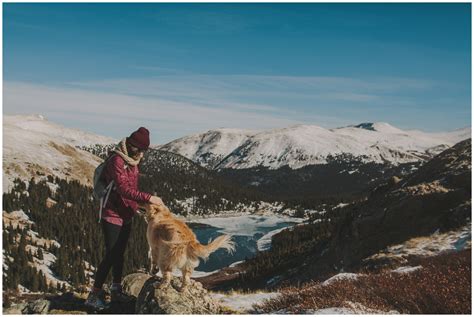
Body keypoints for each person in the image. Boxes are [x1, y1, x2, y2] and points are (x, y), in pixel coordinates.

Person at [85, 127, 163, 310]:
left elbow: (131, 187)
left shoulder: (133, 160)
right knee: (111, 255)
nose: (143, 154)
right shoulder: (117, 160)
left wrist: (138, 206)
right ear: (133, 145)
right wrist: (149, 198)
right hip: (111, 214)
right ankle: (93, 295)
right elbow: (122, 188)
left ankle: (116, 289)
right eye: (141, 150)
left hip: (126, 212)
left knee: (120, 253)